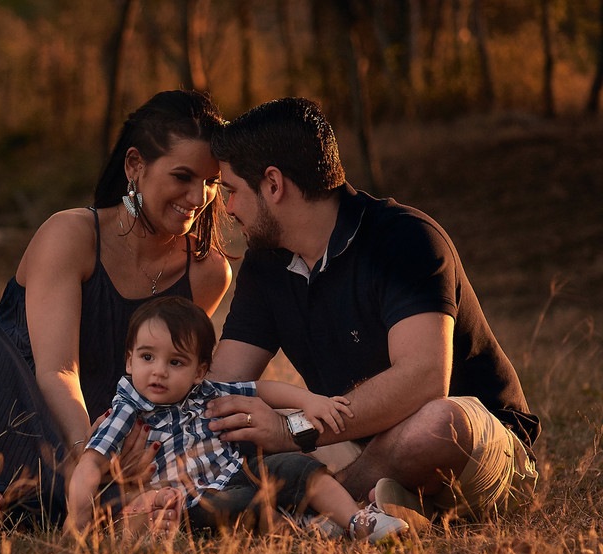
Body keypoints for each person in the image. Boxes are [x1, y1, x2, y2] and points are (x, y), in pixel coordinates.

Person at [0, 90, 232, 525]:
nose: (197, 196)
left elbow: (169, 379)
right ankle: (73, 502)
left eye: (211, 182)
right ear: (135, 166)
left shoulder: (207, 271)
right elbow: (57, 371)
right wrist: (89, 461)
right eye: (183, 177)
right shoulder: (72, 235)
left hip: (106, 452)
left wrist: (135, 456)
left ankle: (56, 506)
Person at [204, 97, 540, 521]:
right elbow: (221, 390)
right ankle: (386, 505)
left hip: (472, 447)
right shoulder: (266, 263)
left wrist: (292, 431)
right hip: (358, 439)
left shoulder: (404, 239)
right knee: (243, 423)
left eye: (232, 191)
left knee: (434, 426)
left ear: (273, 184)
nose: (228, 208)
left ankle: (322, 506)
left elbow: (423, 379)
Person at [66, 296, 408, 542]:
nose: (159, 371)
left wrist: (308, 400)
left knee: (294, 465)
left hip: (238, 472)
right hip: (193, 500)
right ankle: (302, 527)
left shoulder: (206, 392)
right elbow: (90, 466)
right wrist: (76, 520)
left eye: (175, 362)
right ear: (129, 362)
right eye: (147, 357)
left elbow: (262, 389)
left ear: (199, 371)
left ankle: (359, 521)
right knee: (239, 506)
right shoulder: (127, 409)